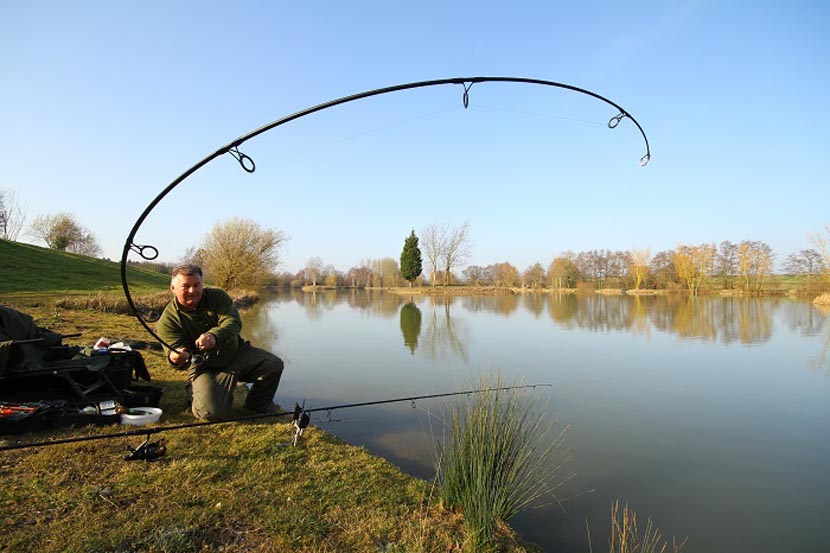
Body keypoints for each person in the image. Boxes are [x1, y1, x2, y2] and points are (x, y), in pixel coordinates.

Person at [156, 264, 283, 421]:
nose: (192, 291)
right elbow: (174, 355)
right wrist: (176, 357)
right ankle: (195, 392)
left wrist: (214, 336)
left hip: (237, 354)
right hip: (204, 367)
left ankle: (258, 405)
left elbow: (233, 321)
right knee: (211, 413)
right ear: (173, 288)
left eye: (196, 285)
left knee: (273, 365)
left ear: (202, 284)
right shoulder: (167, 321)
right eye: (185, 286)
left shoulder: (217, 296)